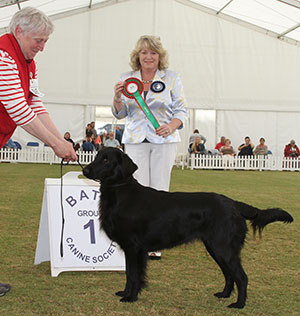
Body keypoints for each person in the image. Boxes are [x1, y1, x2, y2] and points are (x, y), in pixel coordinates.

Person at [0, 7, 77, 296]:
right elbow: (18, 110)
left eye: (45, 41)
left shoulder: (27, 62)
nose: (42, 47)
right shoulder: (3, 56)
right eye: (39, 40)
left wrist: (62, 139)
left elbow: (35, 105)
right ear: (18, 32)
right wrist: (55, 144)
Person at [112, 35, 187, 259]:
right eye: (144, 52)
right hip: (135, 140)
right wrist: (116, 98)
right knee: (136, 191)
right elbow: (120, 113)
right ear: (137, 56)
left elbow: (182, 110)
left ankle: (156, 242)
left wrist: (172, 126)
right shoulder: (127, 79)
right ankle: (137, 240)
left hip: (164, 140)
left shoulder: (172, 78)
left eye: (153, 52)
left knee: (160, 190)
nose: (148, 56)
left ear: (160, 56)